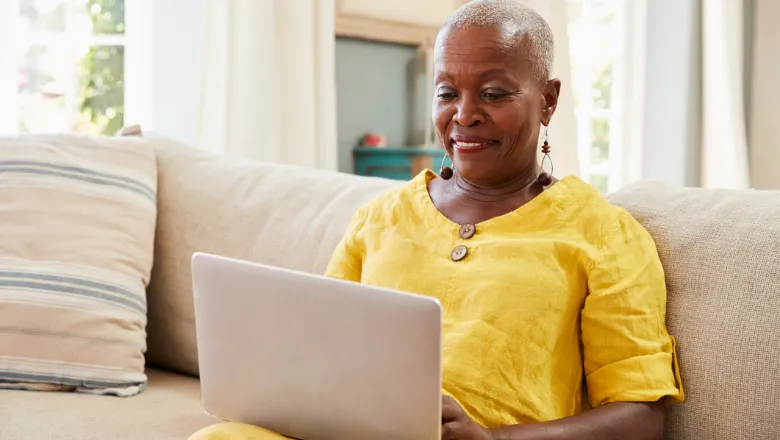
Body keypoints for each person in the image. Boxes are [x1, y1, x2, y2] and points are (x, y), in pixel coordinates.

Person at [190, 1, 684, 439]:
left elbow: (640, 416)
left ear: (549, 100)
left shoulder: (605, 235)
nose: (464, 115)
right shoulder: (380, 218)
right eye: (447, 92)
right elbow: (319, 354)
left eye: (494, 94)